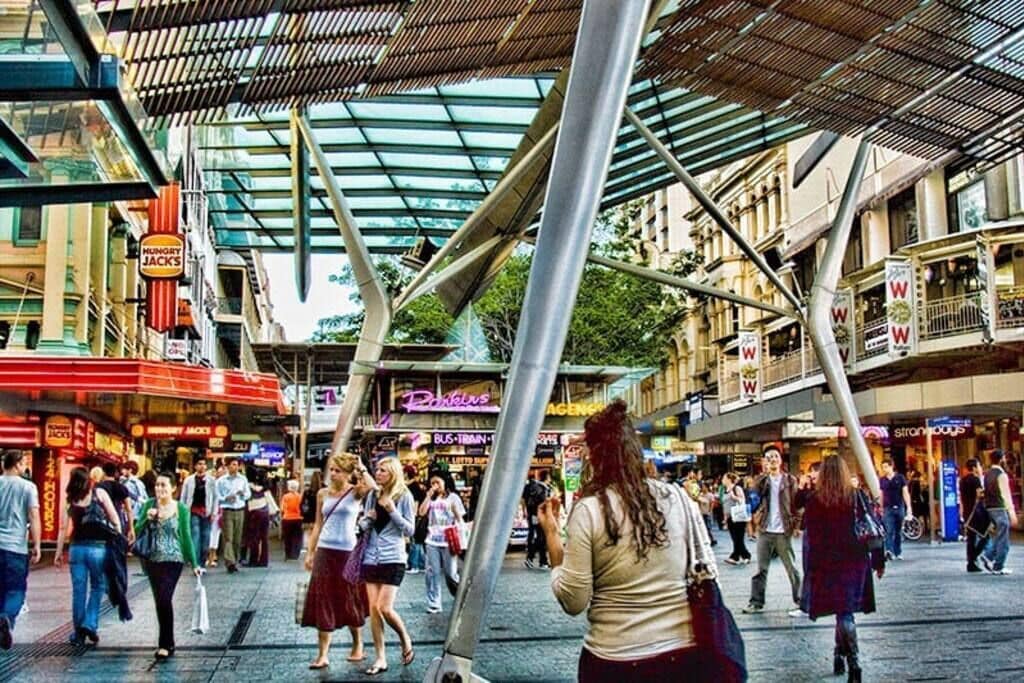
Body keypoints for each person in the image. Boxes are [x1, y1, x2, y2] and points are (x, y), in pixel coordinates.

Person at [538, 400, 706, 681]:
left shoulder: (590, 510)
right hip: (681, 657)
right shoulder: (676, 497)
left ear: (594, 456)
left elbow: (573, 600)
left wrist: (552, 536)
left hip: (614, 659)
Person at [798, 455, 885, 682]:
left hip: (828, 564)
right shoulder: (856, 496)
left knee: (842, 611)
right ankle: (847, 658)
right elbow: (872, 527)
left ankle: (849, 659)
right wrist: (878, 561)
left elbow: (811, 539)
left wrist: (810, 569)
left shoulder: (815, 501)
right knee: (845, 611)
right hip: (855, 562)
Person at [301, 453, 375, 670]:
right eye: (331, 469)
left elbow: (374, 488)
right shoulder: (322, 494)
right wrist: (310, 552)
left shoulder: (356, 492)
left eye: (337, 470)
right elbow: (318, 524)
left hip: (348, 552)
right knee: (323, 598)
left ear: (347, 473)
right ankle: (323, 654)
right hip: (325, 551)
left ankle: (358, 644)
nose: (332, 474)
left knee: (350, 597)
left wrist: (361, 467)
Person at [134, 473, 202, 660]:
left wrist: (194, 563)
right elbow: (137, 530)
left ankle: (164, 644)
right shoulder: (149, 505)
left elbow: (186, 536)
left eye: (163, 485)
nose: (159, 489)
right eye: (157, 485)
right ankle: (168, 642)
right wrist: (146, 519)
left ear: (173, 488)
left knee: (165, 598)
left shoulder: (181, 508)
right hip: (152, 560)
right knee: (160, 601)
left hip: (174, 560)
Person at [359, 457, 417, 675]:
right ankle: (380, 657)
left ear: (393, 473)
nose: (378, 473)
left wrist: (392, 511)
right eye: (377, 469)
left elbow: (410, 530)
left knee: (384, 607)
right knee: (374, 610)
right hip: (371, 557)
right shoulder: (372, 495)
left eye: (383, 470)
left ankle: (405, 638)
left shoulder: (404, 496)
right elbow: (363, 524)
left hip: (393, 557)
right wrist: (367, 519)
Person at [54, 467, 122, 645]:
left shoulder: (70, 499)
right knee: (98, 586)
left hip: (76, 549)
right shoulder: (99, 494)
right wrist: (118, 539)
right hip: (98, 548)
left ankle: (78, 634)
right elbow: (115, 519)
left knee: (78, 591)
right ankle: (90, 624)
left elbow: (62, 528)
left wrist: (58, 552)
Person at [743, 446, 802, 614]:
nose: (773, 460)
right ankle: (756, 602)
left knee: (791, 568)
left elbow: (797, 505)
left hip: (783, 530)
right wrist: (763, 475)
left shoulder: (790, 480)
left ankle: (801, 601)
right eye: (769, 457)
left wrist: (797, 526)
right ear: (765, 461)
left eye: (776, 456)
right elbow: (754, 497)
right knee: (761, 569)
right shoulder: (762, 480)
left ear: (781, 460)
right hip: (765, 529)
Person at [0, 450, 41, 650]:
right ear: (17, 464)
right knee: (16, 590)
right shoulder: (28, 487)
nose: (25, 466)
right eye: (24, 463)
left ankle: (2, 625)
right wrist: (37, 544)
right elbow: (33, 516)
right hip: (15, 548)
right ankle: (6, 618)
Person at [419, 473, 464, 614]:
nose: (435, 485)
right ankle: (434, 603)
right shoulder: (431, 498)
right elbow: (421, 512)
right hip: (432, 539)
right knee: (432, 572)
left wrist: (454, 511)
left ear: (445, 482)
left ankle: (461, 596)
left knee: (451, 574)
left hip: (448, 540)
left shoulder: (453, 497)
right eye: (432, 483)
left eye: (437, 482)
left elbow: (460, 519)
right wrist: (428, 496)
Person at [977, 449, 1019, 575]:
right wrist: (1012, 512)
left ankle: (988, 555)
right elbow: (1006, 495)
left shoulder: (987, 474)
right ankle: (998, 565)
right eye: (1004, 458)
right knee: (1003, 539)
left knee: (999, 536)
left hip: (990, 508)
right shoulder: (1001, 475)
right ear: (1001, 460)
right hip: (1000, 508)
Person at [180, 457, 219, 569]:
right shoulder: (189, 480)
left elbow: (216, 497)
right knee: (195, 536)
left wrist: (214, 512)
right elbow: (183, 497)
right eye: (199, 464)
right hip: (193, 511)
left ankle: (202, 561)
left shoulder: (211, 481)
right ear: (195, 466)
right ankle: (195, 563)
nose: (202, 466)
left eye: (204, 464)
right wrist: (182, 512)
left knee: (206, 538)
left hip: (207, 512)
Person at [216, 458, 249, 573]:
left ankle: (234, 559)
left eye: (236, 465)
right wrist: (226, 498)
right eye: (233, 464)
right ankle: (229, 562)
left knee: (237, 538)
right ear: (228, 466)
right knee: (228, 537)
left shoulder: (243, 479)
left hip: (240, 510)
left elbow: (248, 494)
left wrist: (243, 494)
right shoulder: (221, 481)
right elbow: (217, 496)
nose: (235, 467)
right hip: (227, 510)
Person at [877, 459, 911, 561]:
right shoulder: (882, 480)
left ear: (891, 466)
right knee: (889, 530)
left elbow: (905, 492)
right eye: (883, 467)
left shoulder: (900, 478)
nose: (884, 469)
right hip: (888, 507)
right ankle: (889, 551)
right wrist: (881, 506)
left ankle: (898, 551)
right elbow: (881, 494)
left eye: (886, 467)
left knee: (898, 530)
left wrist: (908, 506)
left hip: (899, 506)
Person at [243, 471, 277, 567]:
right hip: (265, 512)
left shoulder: (249, 487)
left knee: (254, 537)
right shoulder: (265, 488)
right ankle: (264, 560)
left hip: (254, 513)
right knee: (264, 538)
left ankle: (253, 560)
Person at [959, 458, 985, 573]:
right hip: (976, 512)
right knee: (985, 536)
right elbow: (980, 495)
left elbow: (962, 497)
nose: (980, 468)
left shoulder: (962, 481)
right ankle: (974, 557)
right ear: (974, 468)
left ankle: (971, 562)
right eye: (979, 466)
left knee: (971, 538)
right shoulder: (976, 479)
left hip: (967, 511)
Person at [522, 470, 551, 569]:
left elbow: (525, 500)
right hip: (538, 516)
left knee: (540, 537)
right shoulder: (541, 488)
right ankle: (535, 559)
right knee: (541, 538)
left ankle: (540, 560)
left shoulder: (537, 487)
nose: (550, 479)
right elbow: (541, 502)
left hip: (534, 515)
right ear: (546, 478)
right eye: (549, 477)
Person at [722, 472, 750, 565]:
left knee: (738, 537)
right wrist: (725, 518)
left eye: (724, 478)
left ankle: (736, 556)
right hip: (730, 517)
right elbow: (725, 505)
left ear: (729, 479)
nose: (723, 480)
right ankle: (744, 555)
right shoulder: (725, 490)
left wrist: (734, 497)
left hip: (738, 516)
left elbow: (742, 500)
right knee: (735, 538)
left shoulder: (736, 488)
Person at [404, 465, 427, 574]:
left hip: (416, 516)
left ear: (406, 474)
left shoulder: (413, 487)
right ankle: (422, 564)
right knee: (418, 541)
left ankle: (414, 565)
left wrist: (412, 517)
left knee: (415, 541)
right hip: (420, 517)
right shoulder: (415, 485)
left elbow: (415, 503)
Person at [280, 480, 304, 560]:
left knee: (287, 537)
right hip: (298, 518)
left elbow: (282, 508)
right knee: (297, 537)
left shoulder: (285, 497)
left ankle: (288, 554)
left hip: (287, 518)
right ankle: (295, 554)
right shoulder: (300, 497)